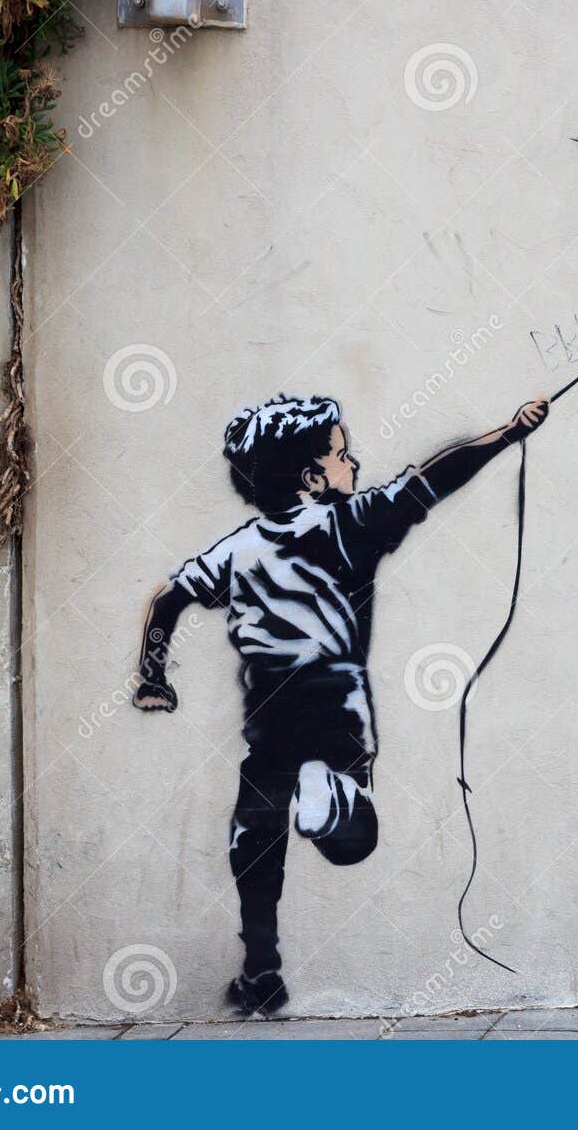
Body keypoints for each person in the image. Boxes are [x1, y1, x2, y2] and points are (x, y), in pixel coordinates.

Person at [133, 392, 549, 1015]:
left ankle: (261, 968)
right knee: (353, 840)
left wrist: (152, 674)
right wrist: (509, 433)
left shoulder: (238, 548)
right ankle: (323, 793)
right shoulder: (353, 523)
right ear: (311, 479)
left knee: (255, 841)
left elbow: (168, 598)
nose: (353, 463)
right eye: (342, 454)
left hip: (268, 711)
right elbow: (439, 474)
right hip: (337, 703)